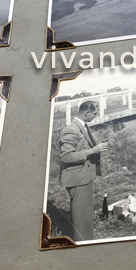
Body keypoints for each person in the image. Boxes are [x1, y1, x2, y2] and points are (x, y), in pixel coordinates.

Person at [59, 100, 107, 241]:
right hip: (77, 178)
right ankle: (83, 243)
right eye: (94, 114)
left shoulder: (82, 126)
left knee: (85, 211)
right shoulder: (71, 129)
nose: (95, 116)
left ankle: (86, 239)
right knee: (81, 214)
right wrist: (93, 151)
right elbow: (66, 156)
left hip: (83, 176)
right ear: (86, 113)